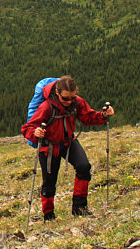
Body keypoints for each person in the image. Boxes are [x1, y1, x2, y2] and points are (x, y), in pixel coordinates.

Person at [21, 76, 114, 220]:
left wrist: (103, 115)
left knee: (84, 167)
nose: (69, 101)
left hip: (68, 142)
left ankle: (79, 208)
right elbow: (28, 127)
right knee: (49, 182)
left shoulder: (77, 102)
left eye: (72, 97)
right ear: (57, 93)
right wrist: (34, 133)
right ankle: (49, 215)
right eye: (65, 98)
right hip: (49, 146)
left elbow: (88, 117)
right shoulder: (46, 107)